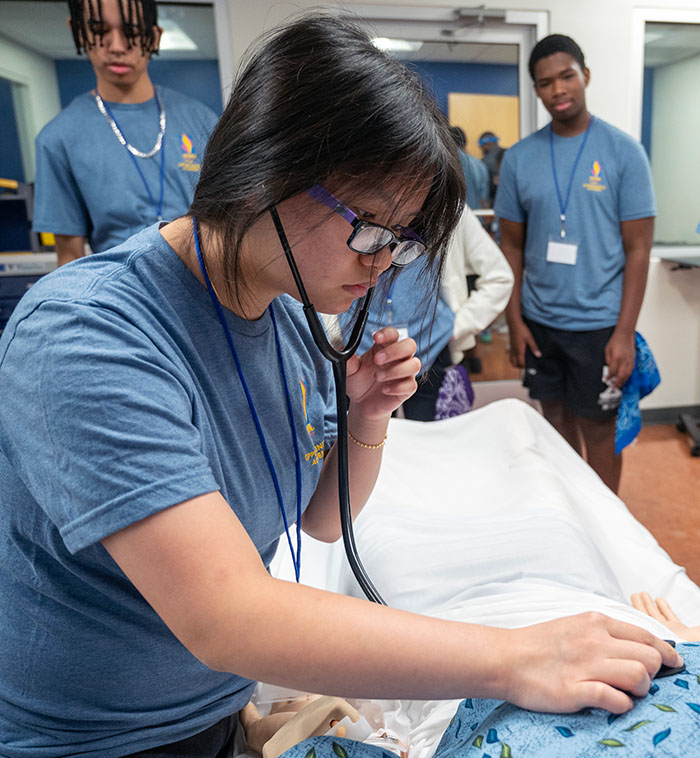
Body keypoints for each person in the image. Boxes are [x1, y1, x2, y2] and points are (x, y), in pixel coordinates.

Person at [0, 13, 680, 758]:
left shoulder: (285, 313)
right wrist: (518, 657)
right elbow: (227, 616)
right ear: (267, 170)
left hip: (214, 711)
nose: (385, 263)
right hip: (95, 741)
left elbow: (323, 522)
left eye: (402, 239)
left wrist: (367, 415)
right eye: (371, 229)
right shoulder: (88, 335)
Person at [494, 34, 655, 493]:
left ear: (585, 75)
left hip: (600, 328)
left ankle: (605, 527)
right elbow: (511, 246)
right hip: (540, 323)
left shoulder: (624, 153)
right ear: (537, 90)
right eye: (546, 83)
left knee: (600, 431)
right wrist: (514, 320)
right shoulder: (520, 158)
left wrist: (624, 332)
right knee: (554, 425)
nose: (558, 90)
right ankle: (570, 518)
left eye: (567, 76)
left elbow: (638, 249)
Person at [33, 0, 218, 265]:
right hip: (121, 295)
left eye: (131, 30)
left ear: (154, 36)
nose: (117, 47)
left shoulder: (202, 121)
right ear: (78, 32)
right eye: (99, 29)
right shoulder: (59, 138)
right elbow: (69, 257)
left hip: (206, 287)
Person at [340, 205, 513, 421]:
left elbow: (499, 277)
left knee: (430, 441)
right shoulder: (354, 201)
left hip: (430, 352)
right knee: (360, 436)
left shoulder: (449, 207)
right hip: (356, 350)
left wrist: (455, 325)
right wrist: (333, 330)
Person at [449, 126, 488, 212]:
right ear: (465, 142)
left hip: (455, 220)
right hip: (477, 218)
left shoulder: (448, 164)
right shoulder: (480, 165)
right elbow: (484, 199)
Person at [478, 131, 504, 206]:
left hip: (495, 204)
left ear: (485, 145)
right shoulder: (508, 153)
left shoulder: (484, 162)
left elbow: (485, 191)